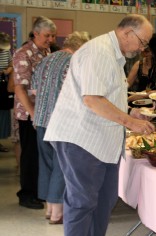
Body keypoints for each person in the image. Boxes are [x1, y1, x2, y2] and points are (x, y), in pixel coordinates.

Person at [44, 14, 155, 236]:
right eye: (142, 42)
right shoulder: (99, 52)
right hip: (82, 138)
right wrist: (130, 123)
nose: (142, 48)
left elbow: (107, 96)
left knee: (103, 202)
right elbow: (92, 99)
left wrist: (128, 113)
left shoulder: (115, 56)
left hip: (101, 140)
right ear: (127, 33)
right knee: (81, 202)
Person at [32, 31, 90, 224]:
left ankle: (49, 209)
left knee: (47, 164)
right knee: (61, 165)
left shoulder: (46, 59)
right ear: (81, 47)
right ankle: (57, 213)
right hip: (61, 122)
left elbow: (33, 89)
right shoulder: (73, 62)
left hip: (41, 118)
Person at [13, 16, 56, 209]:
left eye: (53, 36)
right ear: (35, 33)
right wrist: (33, 114)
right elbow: (20, 89)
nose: (51, 39)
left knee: (41, 154)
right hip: (29, 113)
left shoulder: (46, 51)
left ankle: (38, 192)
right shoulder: (24, 54)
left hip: (44, 112)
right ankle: (26, 194)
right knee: (30, 155)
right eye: (47, 35)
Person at [0, 32, 13, 152]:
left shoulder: (6, 52)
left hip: (3, 85)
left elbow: (11, 64)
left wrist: (7, 71)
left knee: (3, 112)